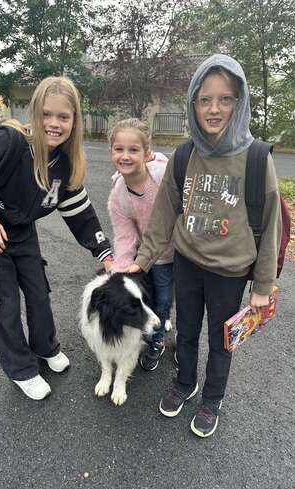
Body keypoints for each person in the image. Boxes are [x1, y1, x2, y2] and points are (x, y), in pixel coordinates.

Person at [126, 55, 281, 437]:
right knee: (188, 331)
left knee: (221, 340)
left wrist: (262, 288)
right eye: (204, 99)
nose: (214, 109)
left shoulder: (257, 158)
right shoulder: (185, 155)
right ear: (193, 103)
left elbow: (270, 225)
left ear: (239, 102)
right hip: (187, 263)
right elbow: (164, 214)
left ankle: (212, 398)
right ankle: (184, 383)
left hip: (230, 272)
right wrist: (142, 260)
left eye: (225, 99)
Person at [0, 76, 113, 401]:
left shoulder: (66, 161)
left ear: (74, 120)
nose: (54, 123)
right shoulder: (9, 142)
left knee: (38, 294)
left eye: (63, 117)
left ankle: (45, 348)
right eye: (47, 114)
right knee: (2, 304)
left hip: (23, 233)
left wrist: (103, 251)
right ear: (35, 113)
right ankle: (21, 369)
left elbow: (80, 212)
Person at [107, 118, 174, 371]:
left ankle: (179, 332)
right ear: (111, 152)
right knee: (159, 296)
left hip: (186, 248)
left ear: (147, 154)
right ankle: (158, 340)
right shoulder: (118, 196)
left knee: (181, 296)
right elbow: (125, 238)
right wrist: (118, 276)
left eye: (133, 150)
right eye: (119, 149)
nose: (125, 156)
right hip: (154, 255)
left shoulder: (163, 176)